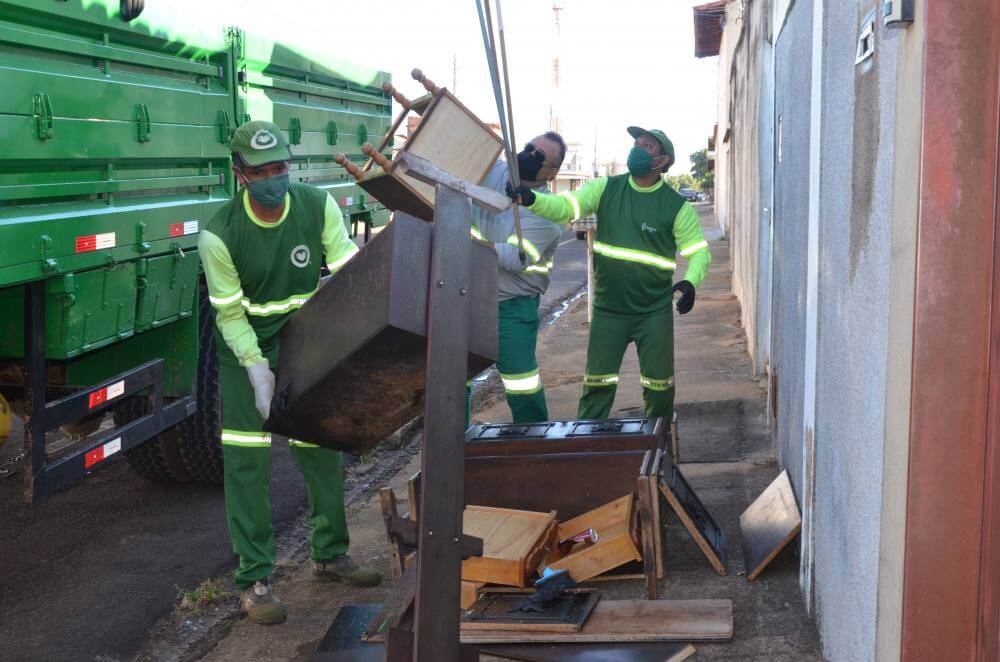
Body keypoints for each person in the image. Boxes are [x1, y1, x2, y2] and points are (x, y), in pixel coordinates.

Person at [198, 121, 380, 625]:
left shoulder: (315, 205)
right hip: (246, 352)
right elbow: (230, 314)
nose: (273, 179)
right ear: (240, 175)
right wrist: (256, 369)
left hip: (304, 341)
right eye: (261, 171)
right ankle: (254, 579)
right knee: (246, 462)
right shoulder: (219, 235)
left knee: (320, 446)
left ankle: (330, 554)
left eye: (280, 167)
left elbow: (347, 267)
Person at [507, 126, 711, 423]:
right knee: (597, 386)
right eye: (637, 143)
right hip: (608, 311)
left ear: (661, 161)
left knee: (660, 388)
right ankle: (589, 446)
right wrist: (532, 200)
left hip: (652, 312)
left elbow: (699, 253)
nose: (638, 149)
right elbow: (566, 208)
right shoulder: (606, 188)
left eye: (648, 147)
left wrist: (691, 282)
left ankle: (659, 446)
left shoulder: (676, 207)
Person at [468, 132, 567, 423]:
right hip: (471, 297)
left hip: (512, 308)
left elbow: (514, 258)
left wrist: (459, 241)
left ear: (551, 172)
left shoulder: (546, 214)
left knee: (521, 384)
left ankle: (535, 445)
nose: (527, 156)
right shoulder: (497, 172)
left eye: (538, 156)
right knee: (453, 381)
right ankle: (455, 448)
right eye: (527, 148)